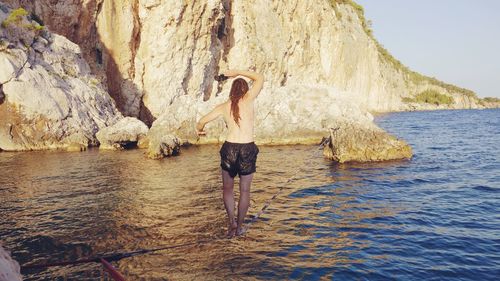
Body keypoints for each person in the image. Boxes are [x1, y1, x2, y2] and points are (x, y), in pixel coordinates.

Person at [196, 69, 264, 238]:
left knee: (227, 189)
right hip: (247, 149)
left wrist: (200, 131)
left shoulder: (224, 107)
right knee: (245, 191)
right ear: (245, 90)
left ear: (231, 90)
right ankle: (240, 227)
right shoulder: (248, 99)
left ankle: (231, 222)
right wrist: (237, 72)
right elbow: (260, 77)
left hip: (229, 149)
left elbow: (201, 121)